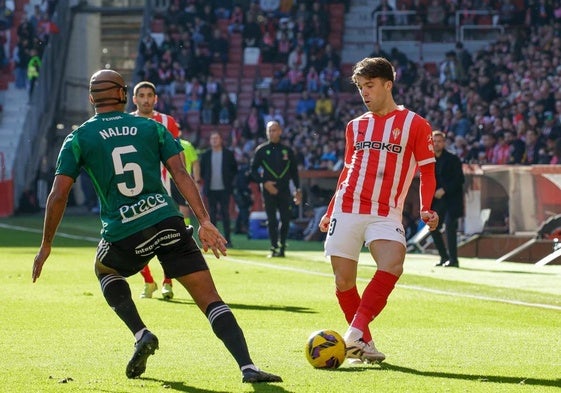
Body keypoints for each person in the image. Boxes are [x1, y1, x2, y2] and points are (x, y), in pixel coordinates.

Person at [31, 69, 282, 384]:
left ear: (92, 98)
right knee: (210, 298)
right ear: (124, 95)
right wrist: (204, 220)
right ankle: (248, 367)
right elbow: (181, 174)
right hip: (167, 220)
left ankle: (141, 333)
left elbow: (58, 195)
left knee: (106, 270)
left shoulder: (79, 137)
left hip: (124, 232)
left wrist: (46, 245)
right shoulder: (150, 127)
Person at [318, 57, 439, 363]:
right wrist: (330, 209)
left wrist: (426, 208)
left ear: (388, 84)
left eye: (369, 86)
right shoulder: (355, 126)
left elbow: (427, 171)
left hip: (386, 212)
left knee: (393, 262)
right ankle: (364, 344)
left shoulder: (415, 124)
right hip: (347, 207)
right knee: (343, 282)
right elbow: (346, 171)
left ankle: (353, 333)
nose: (365, 93)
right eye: (360, 87)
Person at [131, 80, 182, 299]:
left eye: (149, 95)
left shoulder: (167, 122)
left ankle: (167, 282)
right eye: (141, 95)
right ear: (134, 99)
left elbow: (176, 158)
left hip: (163, 191)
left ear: (155, 99)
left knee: (166, 238)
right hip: (133, 192)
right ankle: (148, 281)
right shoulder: (125, 122)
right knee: (135, 240)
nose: (145, 99)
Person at [250, 121, 302, 257]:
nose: (272, 133)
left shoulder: (288, 151)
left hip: (284, 189)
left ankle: (283, 247)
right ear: (267, 133)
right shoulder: (261, 150)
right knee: (272, 220)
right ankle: (273, 247)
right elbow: (253, 171)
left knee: (285, 219)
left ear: (280, 131)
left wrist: (297, 189)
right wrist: (264, 183)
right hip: (268, 190)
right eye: (269, 131)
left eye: (274, 130)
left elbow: (294, 172)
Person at [431, 130, 465, 268]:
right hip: (437, 200)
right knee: (432, 227)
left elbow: (459, 179)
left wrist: (444, 189)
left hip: (451, 199)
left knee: (450, 226)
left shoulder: (453, 159)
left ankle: (453, 260)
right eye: (434, 141)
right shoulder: (429, 160)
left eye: (439, 141)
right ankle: (444, 257)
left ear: (444, 143)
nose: (436, 144)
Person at [199, 131, 238, 248]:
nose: (214, 140)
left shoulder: (228, 154)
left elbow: (234, 169)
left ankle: (227, 240)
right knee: (212, 215)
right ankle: (214, 240)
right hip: (211, 189)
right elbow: (202, 172)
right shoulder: (206, 155)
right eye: (212, 139)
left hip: (224, 189)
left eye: (216, 138)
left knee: (226, 214)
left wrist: (229, 180)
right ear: (210, 141)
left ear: (221, 140)